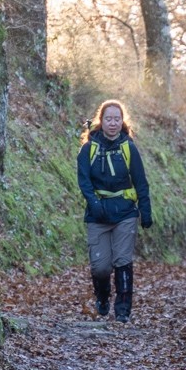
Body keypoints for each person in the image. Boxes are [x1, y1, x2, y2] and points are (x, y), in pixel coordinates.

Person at [75, 100, 153, 320]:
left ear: (122, 121)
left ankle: (123, 311)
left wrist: (145, 212)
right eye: (108, 119)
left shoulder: (129, 148)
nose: (112, 123)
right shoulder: (89, 149)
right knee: (100, 267)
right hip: (97, 214)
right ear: (101, 121)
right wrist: (95, 204)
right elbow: (84, 181)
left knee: (122, 260)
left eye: (116, 119)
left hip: (125, 212)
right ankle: (102, 297)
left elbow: (141, 182)